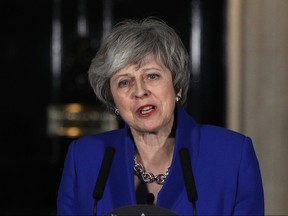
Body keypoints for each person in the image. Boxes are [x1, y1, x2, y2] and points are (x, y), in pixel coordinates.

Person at [57, 17, 264, 215]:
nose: (139, 91)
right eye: (124, 82)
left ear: (177, 87)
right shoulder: (84, 158)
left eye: (152, 76)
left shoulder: (233, 155)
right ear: (112, 100)